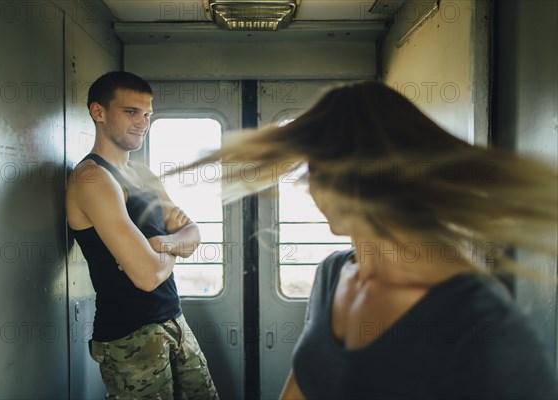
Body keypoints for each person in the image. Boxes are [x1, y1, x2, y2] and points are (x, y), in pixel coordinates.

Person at [177, 81, 558, 399]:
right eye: (315, 172)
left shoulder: (481, 324)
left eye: (332, 173)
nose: (317, 191)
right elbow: (305, 383)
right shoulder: (332, 274)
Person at [65, 71, 219, 400]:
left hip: (174, 319)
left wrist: (163, 244)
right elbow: (147, 276)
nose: (143, 122)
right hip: (129, 336)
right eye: (131, 112)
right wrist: (177, 247)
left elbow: (194, 232)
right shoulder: (92, 179)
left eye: (148, 114)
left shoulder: (143, 173)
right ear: (99, 112)